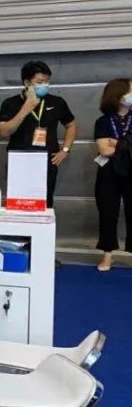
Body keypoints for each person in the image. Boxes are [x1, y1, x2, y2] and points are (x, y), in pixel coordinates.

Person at [0, 60, 77, 207]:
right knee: (18, 204)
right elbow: (4, 131)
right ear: (27, 83)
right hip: (19, 161)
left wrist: (65, 150)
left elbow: (71, 125)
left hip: (47, 160)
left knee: (45, 204)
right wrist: (26, 108)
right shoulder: (10, 103)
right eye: (39, 82)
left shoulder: (57, 102)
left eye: (47, 82)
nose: (44, 85)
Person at [93, 78, 132, 272]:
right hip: (108, 172)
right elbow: (103, 149)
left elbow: (111, 148)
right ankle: (107, 255)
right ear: (118, 95)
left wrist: (116, 143)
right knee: (107, 213)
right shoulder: (103, 121)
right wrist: (127, 146)